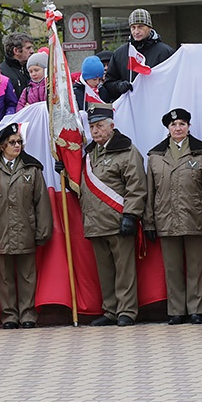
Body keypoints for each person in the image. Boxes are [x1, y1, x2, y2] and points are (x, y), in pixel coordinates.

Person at [66, 102, 147, 327]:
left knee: (124, 271)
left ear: (112, 125)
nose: (95, 131)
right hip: (95, 222)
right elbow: (81, 186)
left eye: (100, 126)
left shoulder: (126, 150)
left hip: (118, 219)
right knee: (105, 272)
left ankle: (127, 311)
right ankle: (111, 310)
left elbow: (136, 186)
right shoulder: (90, 154)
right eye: (92, 127)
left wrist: (131, 215)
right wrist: (65, 172)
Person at [143, 108, 202, 325]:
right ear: (167, 129)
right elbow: (150, 191)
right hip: (165, 218)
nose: (178, 128)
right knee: (172, 267)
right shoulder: (155, 156)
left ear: (188, 127)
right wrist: (148, 221)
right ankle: (176, 309)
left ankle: (196, 309)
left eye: (182, 124)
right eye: (174, 125)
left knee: (196, 266)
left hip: (194, 217)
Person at [0, 123, 52, 329]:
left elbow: (41, 201)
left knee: (27, 276)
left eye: (19, 142)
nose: (17, 146)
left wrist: (43, 230)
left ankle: (28, 315)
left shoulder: (31, 167)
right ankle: (9, 316)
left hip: (26, 229)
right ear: (1, 146)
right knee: (4, 278)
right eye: (12, 142)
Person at [104, 9, 175, 100]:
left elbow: (174, 81)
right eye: (133, 27)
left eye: (140, 27)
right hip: (130, 108)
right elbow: (109, 83)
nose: (136, 31)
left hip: (157, 105)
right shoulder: (120, 54)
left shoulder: (165, 52)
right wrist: (119, 86)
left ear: (149, 27)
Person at [0, 32, 35, 101]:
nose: (32, 51)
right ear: (16, 51)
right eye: (28, 48)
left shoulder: (32, 69)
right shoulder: (1, 73)